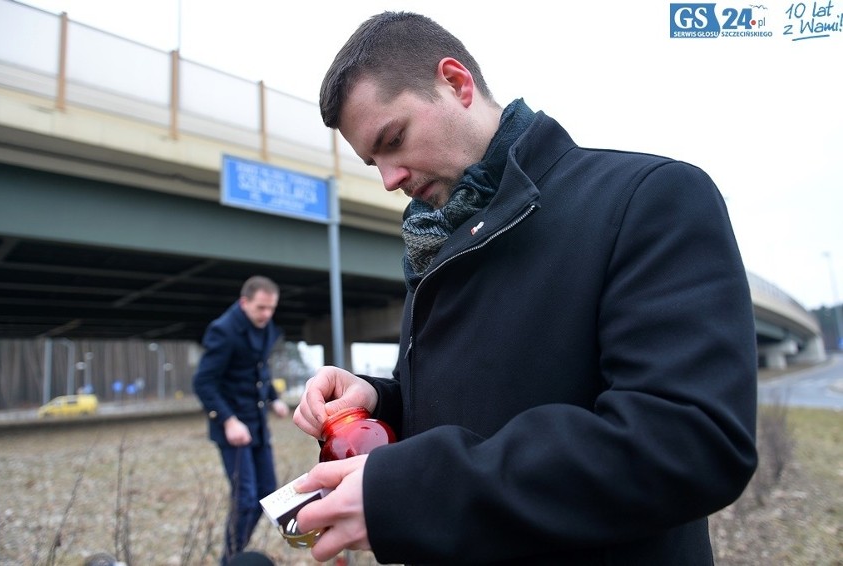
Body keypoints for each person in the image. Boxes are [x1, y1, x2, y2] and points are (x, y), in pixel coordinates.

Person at [293, 11, 758, 565]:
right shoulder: (437, 240)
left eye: (393, 140)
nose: (389, 179)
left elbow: (688, 442)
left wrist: (408, 491)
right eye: (374, 162)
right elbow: (480, 397)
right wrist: (381, 397)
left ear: (457, 83)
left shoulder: (649, 199)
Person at [193, 275, 290, 565]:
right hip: (233, 427)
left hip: (257, 423)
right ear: (244, 302)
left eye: (271, 308)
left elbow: (258, 369)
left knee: (268, 497)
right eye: (261, 308)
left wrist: (273, 398)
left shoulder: (265, 326)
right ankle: (230, 559)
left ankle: (234, 555)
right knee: (245, 500)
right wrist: (227, 420)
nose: (267, 315)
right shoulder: (223, 331)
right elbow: (203, 382)